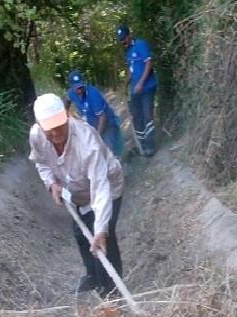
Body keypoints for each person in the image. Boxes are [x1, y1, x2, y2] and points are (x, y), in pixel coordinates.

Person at [29, 93, 124, 298]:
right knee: (81, 234)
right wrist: (52, 183)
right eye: (49, 128)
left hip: (108, 187)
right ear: (39, 125)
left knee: (103, 236)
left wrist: (100, 230)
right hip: (77, 190)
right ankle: (93, 277)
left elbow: (100, 188)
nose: (55, 133)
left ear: (67, 115)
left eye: (59, 125)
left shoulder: (86, 141)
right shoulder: (37, 136)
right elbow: (42, 163)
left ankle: (111, 292)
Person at [117, 24, 157, 157]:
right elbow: (131, 70)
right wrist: (125, 85)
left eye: (124, 38)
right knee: (137, 116)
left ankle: (151, 145)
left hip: (147, 87)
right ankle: (142, 144)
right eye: (121, 40)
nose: (123, 42)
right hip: (136, 90)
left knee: (147, 115)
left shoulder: (141, 44)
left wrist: (141, 82)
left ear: (129, 35)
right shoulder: (128, 52)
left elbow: (149, 63)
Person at [64, 70, 124, 157]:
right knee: (93, 153)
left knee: (108, 151)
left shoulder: (93, 94)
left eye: (81, 87)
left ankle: (118, 165)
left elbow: (103, 118)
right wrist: (65, 112)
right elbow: (67, 99)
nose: (79, 90)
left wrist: (97, 138)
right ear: (72, 87)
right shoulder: (72, 93)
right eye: (76, 88)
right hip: (91, 125)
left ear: (84, 83)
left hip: (107, 124)